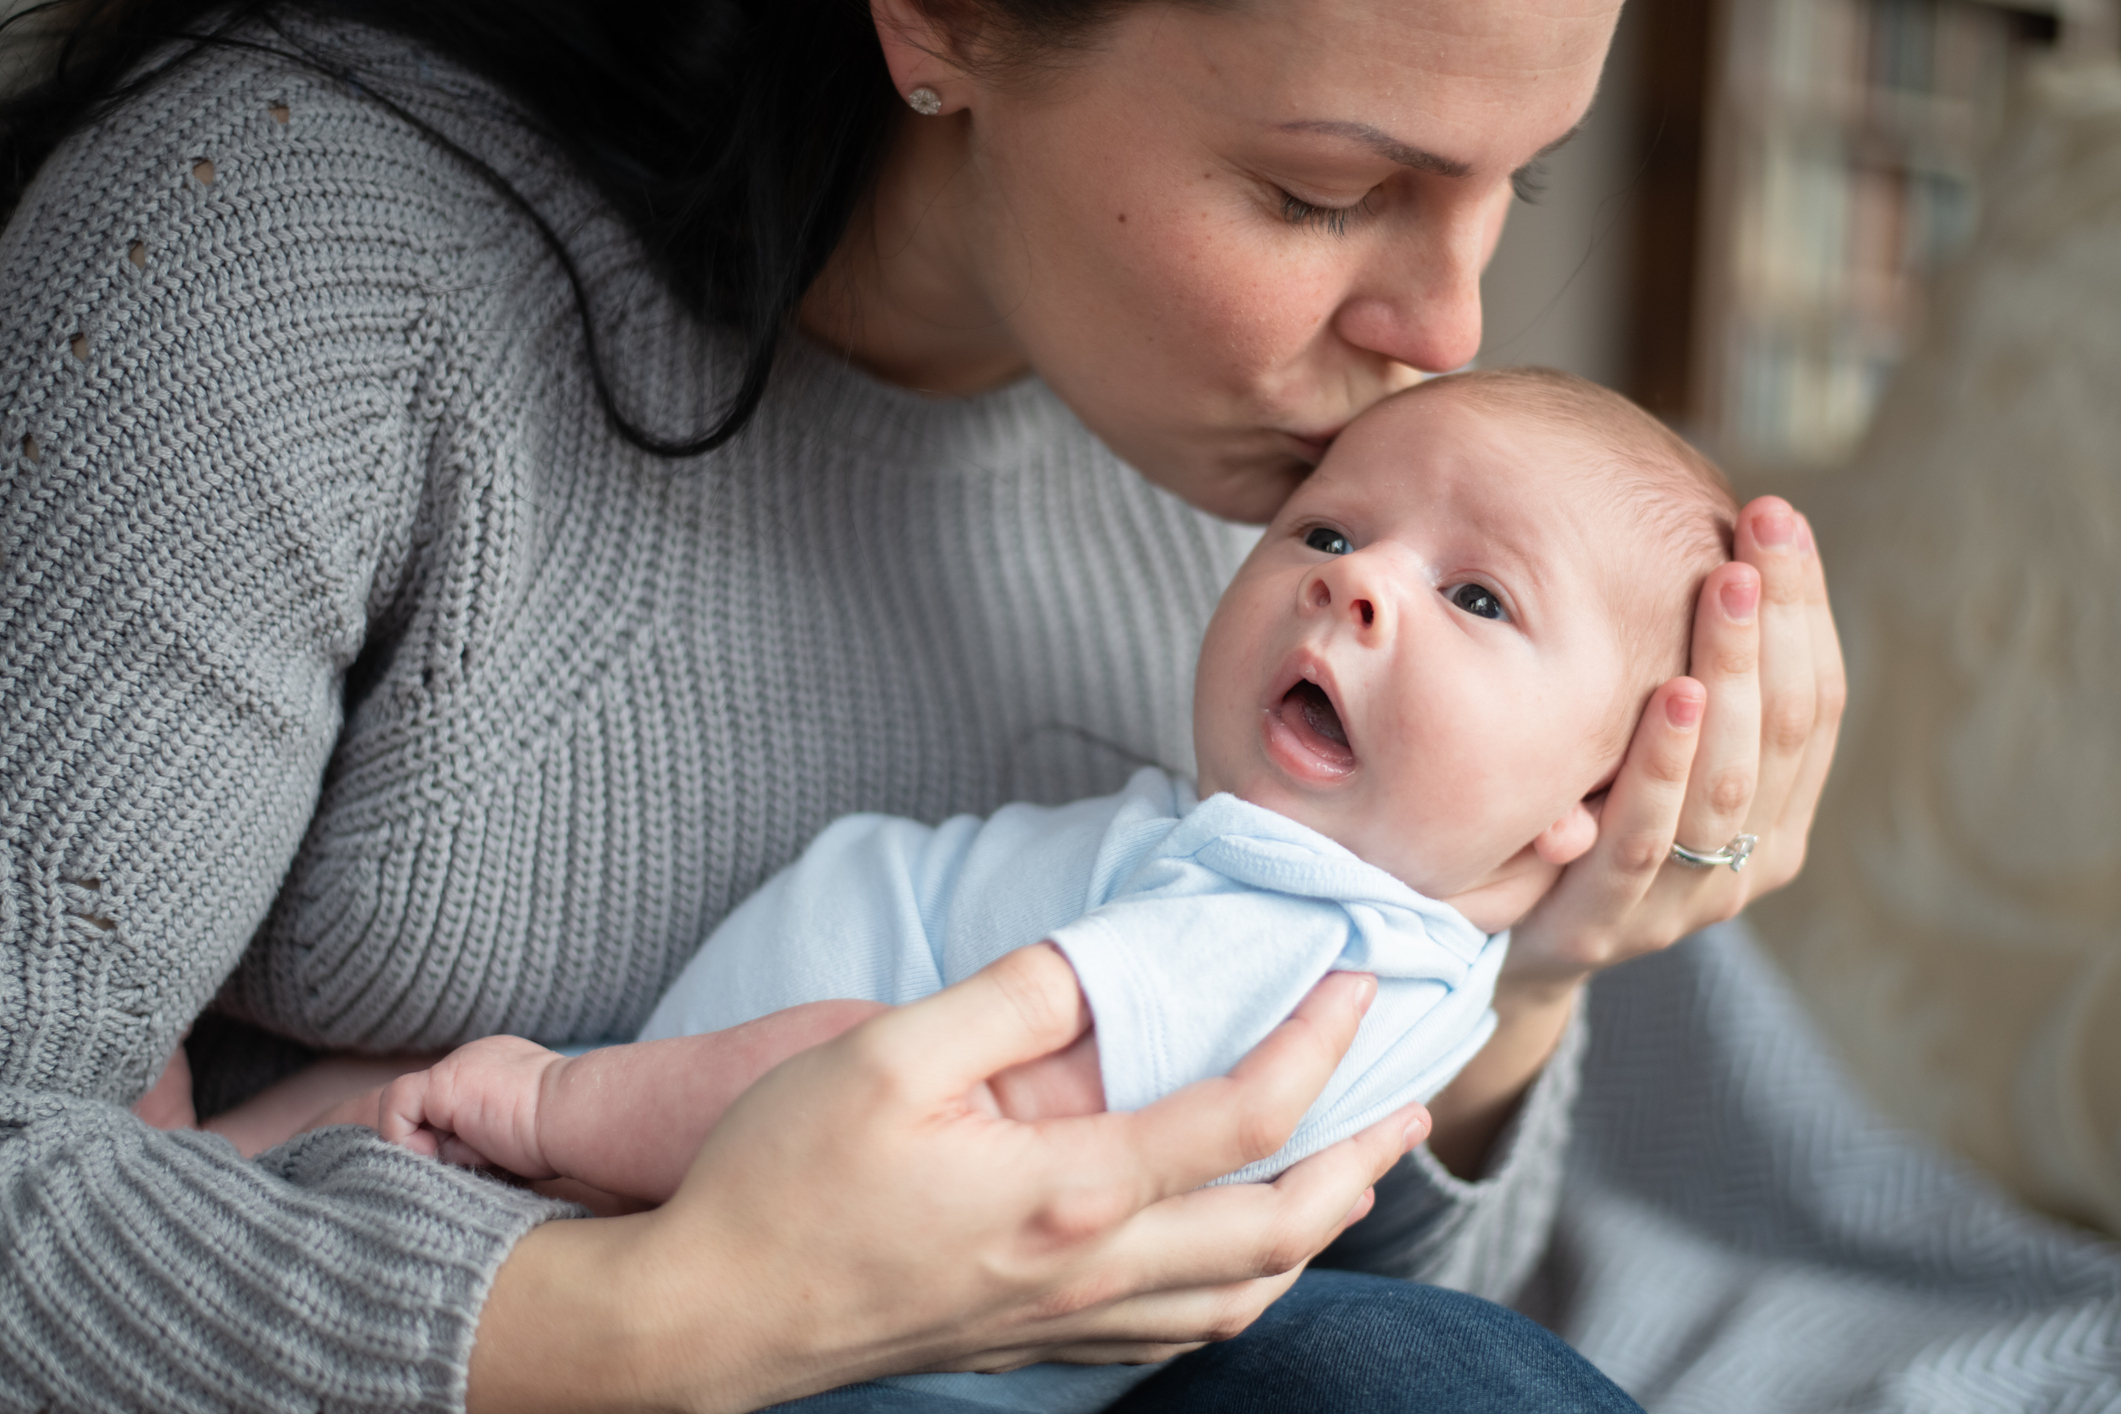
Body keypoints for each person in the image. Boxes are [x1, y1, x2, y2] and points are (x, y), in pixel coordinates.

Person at [0, 0, 1842, 1410]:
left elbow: (1359, 1304)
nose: (1443, 330)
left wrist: (1516, 965)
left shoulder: (1273, 494)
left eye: (1510, 182)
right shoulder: (298, 259)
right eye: (1327, 193)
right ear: (941, 18)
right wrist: (666, 1314)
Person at [325, 368, 1734, 1413]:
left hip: (763, 1258)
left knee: (404, 1119)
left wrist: (554, 1108)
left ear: (1592, 806)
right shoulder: (1364, 906)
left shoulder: (1288, 938)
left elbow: (877, 1097)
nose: (1351, 586)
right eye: (1323, 531)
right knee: (341, 1123)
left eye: (1478, 599)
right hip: (683, 1169)